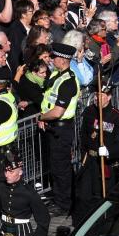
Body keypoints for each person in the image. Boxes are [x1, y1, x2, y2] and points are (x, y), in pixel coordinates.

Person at [73, 86, 119, 226]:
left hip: (105, 163)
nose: (97, 98)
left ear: (109, 97)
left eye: (102, 95)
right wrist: (83, 154)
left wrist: (109, 151)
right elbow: (84, 135)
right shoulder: (90, 111)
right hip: (90, 160)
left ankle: (102, 226)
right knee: (84, 195)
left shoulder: (117, 117)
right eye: (96, 95)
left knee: (102, 197)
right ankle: (82, 226)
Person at [37, 42, 79, 215]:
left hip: (61, 129)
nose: (52, 60)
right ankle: (60, 198)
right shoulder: (57, 75)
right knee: (57, 167)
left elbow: (57, 112)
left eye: (54, 57)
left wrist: (42, 117)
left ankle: (63, 204)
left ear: (62, 60)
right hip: (53, 128)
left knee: (60, 169)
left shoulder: (68, 81)